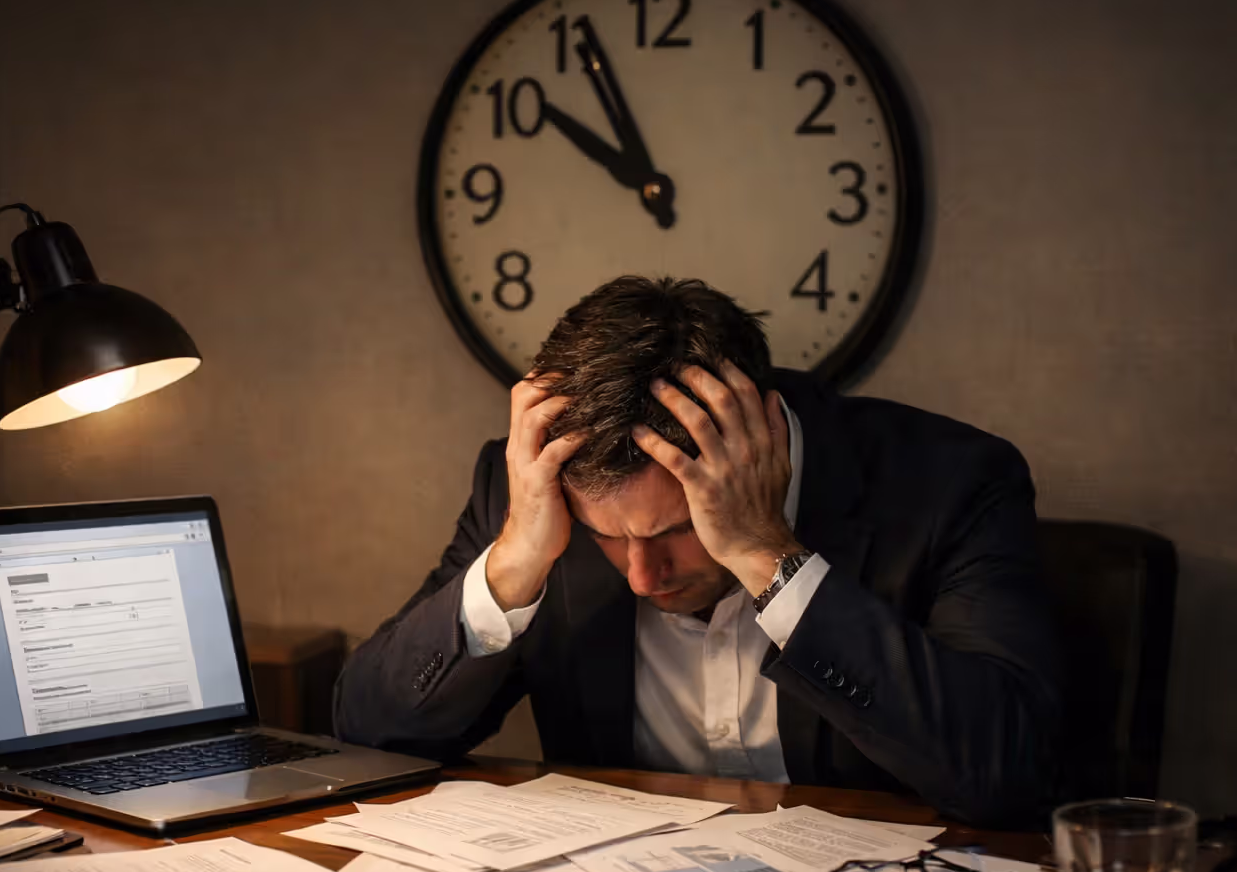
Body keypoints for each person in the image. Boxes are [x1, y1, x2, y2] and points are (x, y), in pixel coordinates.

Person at [335, 276, 1062, 826]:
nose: (643, 576)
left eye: (675, 531)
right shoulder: (524, 483)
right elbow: (369, 732)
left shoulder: (954, 482)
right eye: (608, 539)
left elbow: (1006, 770)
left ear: (761, 440)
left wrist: (766, 554)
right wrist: (514, 563)